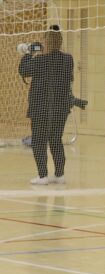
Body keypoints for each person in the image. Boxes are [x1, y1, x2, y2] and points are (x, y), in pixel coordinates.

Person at [18, 28, 80, 186]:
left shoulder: (40, 61)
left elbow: (23, 70)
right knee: (55, 140)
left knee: (38, 141)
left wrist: (28, 53)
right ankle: (59, 175)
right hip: (60, 108)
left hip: (41, 108)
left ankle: (42, 175)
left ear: (46, 42)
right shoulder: (68, 60)